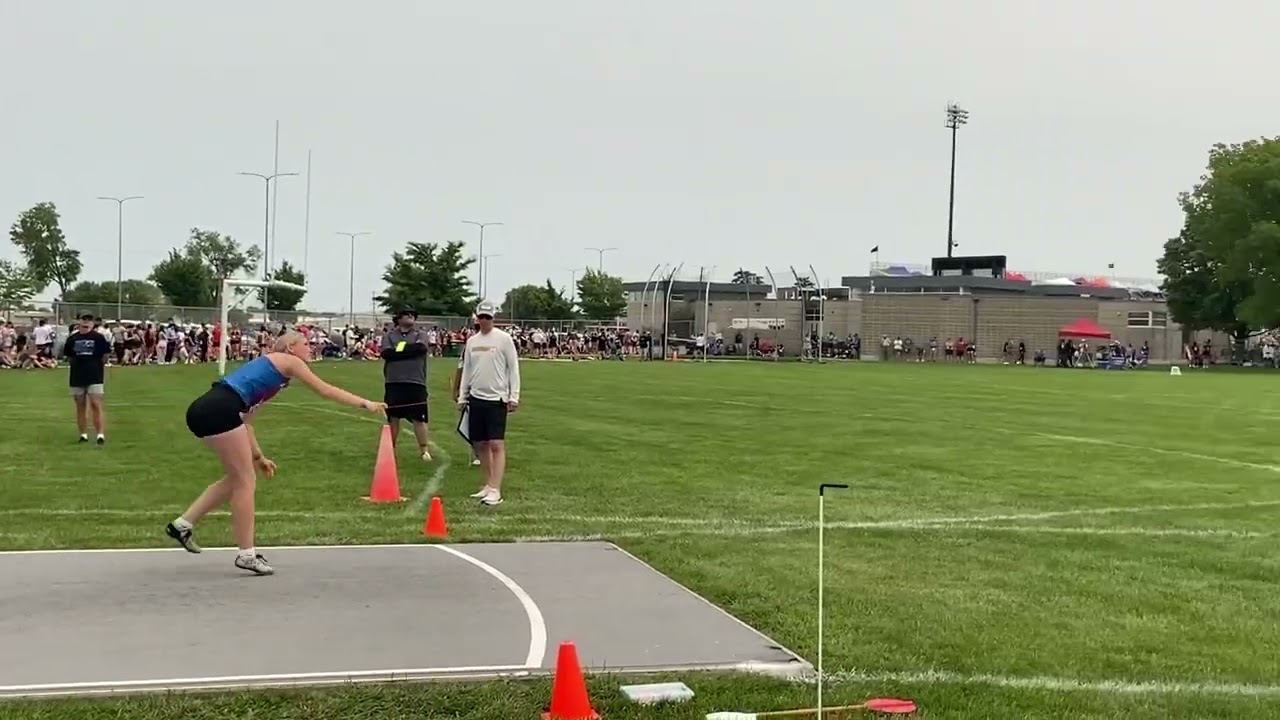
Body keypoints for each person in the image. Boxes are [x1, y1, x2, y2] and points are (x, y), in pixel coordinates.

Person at [165, 331, 385, 575]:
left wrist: (259, 457)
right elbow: (325, 390)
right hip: (218, 409)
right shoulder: (288, 361)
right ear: (290, 347)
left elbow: (247, 422)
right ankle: (246, 555)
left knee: (236, 478)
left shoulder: (273, 375)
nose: (311, 348)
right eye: (306, 344)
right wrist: (366, 403)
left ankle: (183, 525)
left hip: (206, 410)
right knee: (245, 481)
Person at [457, 302, 521, 506]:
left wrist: (514, 396)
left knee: (496, 443)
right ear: (477, 318)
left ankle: (496, 488)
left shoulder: (504, 339)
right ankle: (488, 483)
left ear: (493, 318)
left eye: (488, 317)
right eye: (481, 317)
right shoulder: (472, 342)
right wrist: (462, 396)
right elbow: (466, 370)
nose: (484, 320)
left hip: (497, 399)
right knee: (481, 444)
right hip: (476, 398)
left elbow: (513, 369)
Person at [380, 307, 433, 460]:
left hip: (416, 381)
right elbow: (386, 353)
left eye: (413, 315)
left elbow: (420, 348)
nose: (410, 317)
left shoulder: (420, 334)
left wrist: (398, 350)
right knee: (393, 417)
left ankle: (424, 450)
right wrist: (406, 350)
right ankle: (390, 449)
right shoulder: (389, 335)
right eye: (406, 314)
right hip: (394, 381)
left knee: (419, 418)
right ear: (398, 318)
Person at [64, 313, 113, 444]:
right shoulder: (72, 339)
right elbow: (69, 356)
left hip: (95, 375)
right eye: (83, 319)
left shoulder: (99, 338)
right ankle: (83, 434)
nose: (86, 323)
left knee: (96, 404)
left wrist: (96, 366)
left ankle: (100, 434)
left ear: (92, 323)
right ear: (78, 321)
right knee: (80, 405)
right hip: (77, 376)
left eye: (89, 320)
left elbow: (105, 355)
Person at [452, 316, 482, 467]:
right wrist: (456, 389)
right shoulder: (470, 346)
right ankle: (477, 452)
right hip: (472, 389)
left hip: (491, 390)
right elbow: (460, 368)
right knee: (473, 422)